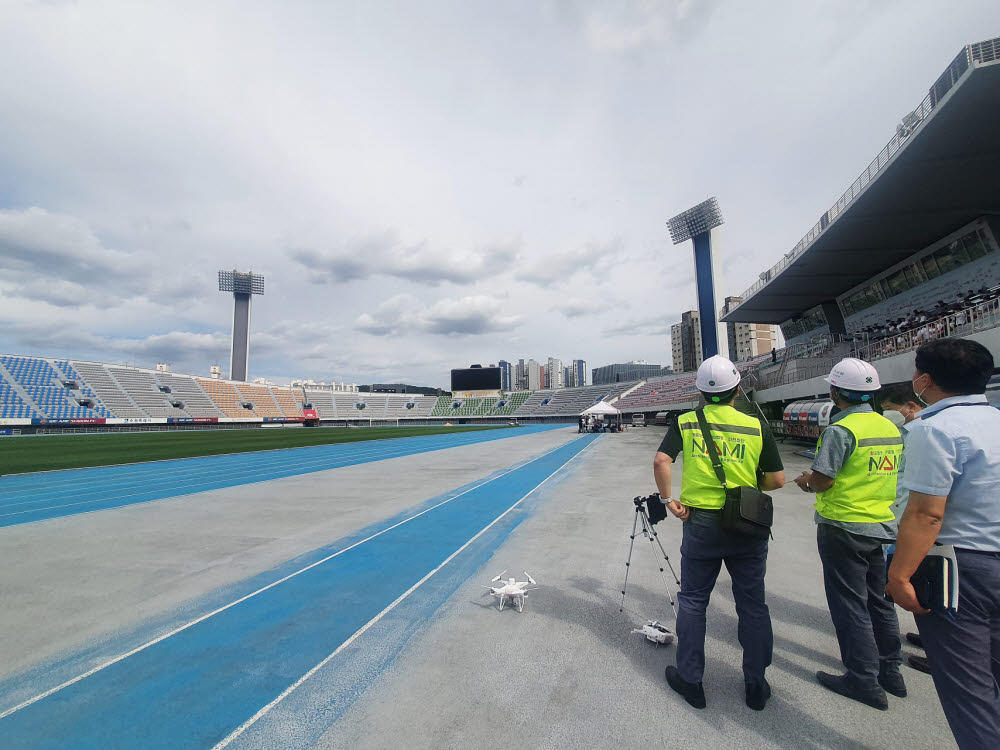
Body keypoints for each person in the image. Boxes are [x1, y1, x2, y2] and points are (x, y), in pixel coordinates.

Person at [653, 355, 785, 711]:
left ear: (699, 391)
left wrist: (668, 500)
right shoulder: (755, 424)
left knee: (694, 601)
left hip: (701, 523)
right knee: (752, 605)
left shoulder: (686, 422)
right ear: (737, 390)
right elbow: (776, 480)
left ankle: (692, 681)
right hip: (746, 522)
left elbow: (661, 461)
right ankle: (756, 685)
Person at [886, 338, 1000, 750]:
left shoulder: (933, 429)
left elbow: (926, 513)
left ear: (925, 379)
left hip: (961, 569)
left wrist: (899, 574)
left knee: (970, 692)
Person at [794, 358, 906, 710]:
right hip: (880, 523)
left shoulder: (840, 431)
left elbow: (823, 479)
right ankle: (891, 670)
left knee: (850, 603)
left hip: (843, 525)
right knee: (879, 599)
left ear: (835, 392)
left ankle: (862, 679)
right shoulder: (890, 428)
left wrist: (806, 483)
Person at [878, 382, 930, 675]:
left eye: (889, 410)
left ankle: (939, 651)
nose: (887, 416)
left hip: (912, 521)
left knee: (902, 582)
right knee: (922, 584)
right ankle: (930, 637)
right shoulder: (905, 432)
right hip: (902, 516)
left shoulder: (923, 433)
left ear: (911, 406)